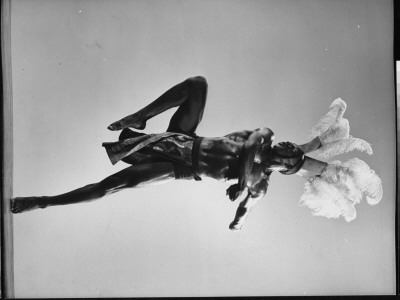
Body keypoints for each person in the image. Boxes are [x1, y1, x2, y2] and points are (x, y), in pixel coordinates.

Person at [10, 76, 383, 230]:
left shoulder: (261, 185)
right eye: (289, 146)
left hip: (181, 167)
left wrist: (238, 217)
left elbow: (242, 215)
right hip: (188, 139)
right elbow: (252, 145)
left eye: (289, 154)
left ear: (286, 167)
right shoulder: (264, 137)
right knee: (198, 84)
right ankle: (143, 115)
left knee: (113, 185)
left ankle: (41, 202)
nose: (285, 145)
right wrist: (241, 182)